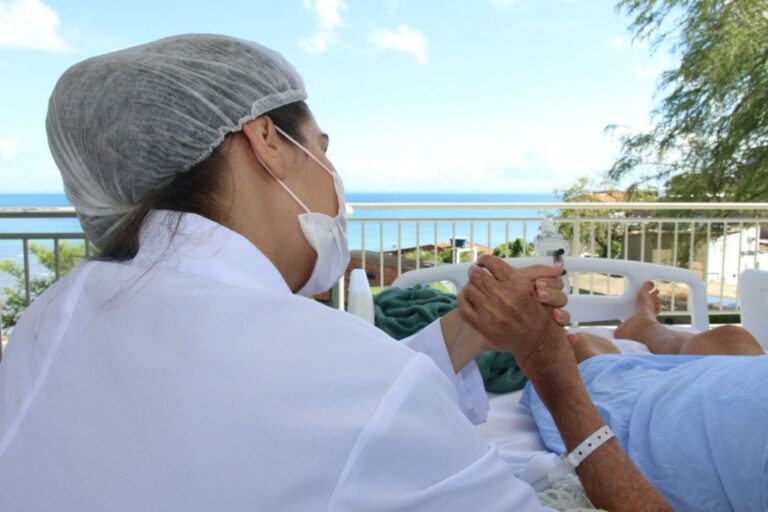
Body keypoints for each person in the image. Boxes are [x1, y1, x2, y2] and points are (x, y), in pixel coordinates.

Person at [0, 34, 668, 511]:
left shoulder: (48, 322)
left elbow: (334, 404)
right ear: (265, 140)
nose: (333, 181)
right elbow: (354, 401)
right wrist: (553, 372)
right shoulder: (350, 380)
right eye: (322, 149)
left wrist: (465, 333)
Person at [521, 282, 767, 511]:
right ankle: (648, 328)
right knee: (731, 338)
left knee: (581, 347)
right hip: (740, 378)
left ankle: (645, 334)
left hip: (659, 419)